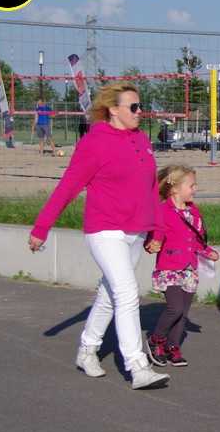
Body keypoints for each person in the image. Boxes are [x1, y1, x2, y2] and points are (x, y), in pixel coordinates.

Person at [27, 81, 169, 390]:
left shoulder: (142, 138)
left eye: (140, 106)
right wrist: (41, 229)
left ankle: (87, 350)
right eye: (133, 107)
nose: (139, 112)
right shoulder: (94, 142)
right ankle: (137, 365)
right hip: (106, 230)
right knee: (127, 292)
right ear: (112, 109)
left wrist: (157, 230)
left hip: (136, 230)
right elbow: (67, 188)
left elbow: (151, 189)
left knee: (110, 294)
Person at [145, 165, 219, 368]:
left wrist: (208, 251)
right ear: (175, 188)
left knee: (184, 312)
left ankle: (173, 346)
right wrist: (151, 244)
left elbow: (197, 240)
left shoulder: (194, 211)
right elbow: (152, 236)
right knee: (175, 308)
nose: (195, 189)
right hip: (169, 267)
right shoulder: (162, 211)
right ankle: (156, 340)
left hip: (189, 268)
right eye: (191, 185)